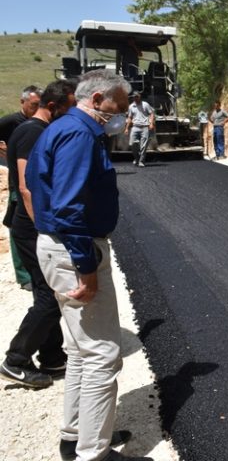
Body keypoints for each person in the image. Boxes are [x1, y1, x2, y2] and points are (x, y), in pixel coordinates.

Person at [26, 69, 152, 461]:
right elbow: (67, 207)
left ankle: (75, 437)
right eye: (120, 105)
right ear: (97, 99)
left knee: (81, 351)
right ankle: (93, 453)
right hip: (74, 250)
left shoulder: (63, 129)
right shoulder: (79, 135)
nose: (123, 113)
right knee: (101, 354)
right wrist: (85, 267)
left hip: (59, 246)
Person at [0, 80, 76, 390]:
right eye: (70, 109)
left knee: (48, 293)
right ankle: (16, 360)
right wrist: (45, 229)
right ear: (54, 107)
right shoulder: (33, 132)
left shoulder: (33, 129)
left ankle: (52, 355)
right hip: (32, 227)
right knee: (48, 296)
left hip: (31, 225)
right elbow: (27, 187)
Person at [0, 85, 41, 290]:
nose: (37, 109)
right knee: (19, 225)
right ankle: (24, 276)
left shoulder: (42, 123)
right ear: (22, 102)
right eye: (33, 105)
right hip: (18, 182)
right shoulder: (11, 122)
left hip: (38, 181)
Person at [124, 92, 155, 167]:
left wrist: (151, 123)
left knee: (143, 146)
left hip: (145, 127)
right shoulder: (131, 106)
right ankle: (137, 158)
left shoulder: (145, 104)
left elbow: (151, 114)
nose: (135, 98)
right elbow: (130, 117)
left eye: (136, 97)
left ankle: (141, 161)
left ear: (139, 96)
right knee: (133, 144)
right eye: (134, 97)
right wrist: (127, 128)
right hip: (135, 127)